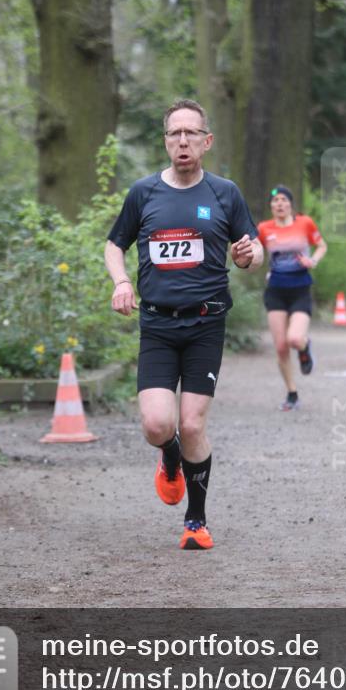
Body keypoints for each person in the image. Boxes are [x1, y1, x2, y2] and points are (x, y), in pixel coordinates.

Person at [104, 99, 263, 550]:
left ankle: (196, 521)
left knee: (192, 424)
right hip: (156, 324)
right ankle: (169, 459)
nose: (183, 141)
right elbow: (114, 245)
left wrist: (249, 255)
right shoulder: (144, 193)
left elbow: (252, 247)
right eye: (175, 134)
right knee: (158, 425)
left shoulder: (224, 193)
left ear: (206, 141)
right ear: (166, 142)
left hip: (205, 325)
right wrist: (120, 281)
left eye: (191, 133)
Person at [257, 186, 327, 410]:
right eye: (275, 200)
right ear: (271, 205)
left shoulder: (304, 223)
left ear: (290, 204)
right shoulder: (264, 228)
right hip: (276, 290)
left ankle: (305, 348)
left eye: (283, 200)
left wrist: (312, 261)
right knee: (280, 347)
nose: (279, 204)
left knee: (294, 339)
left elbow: (321, 246)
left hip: (300, 289)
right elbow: (255, 251)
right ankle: (292, 393)